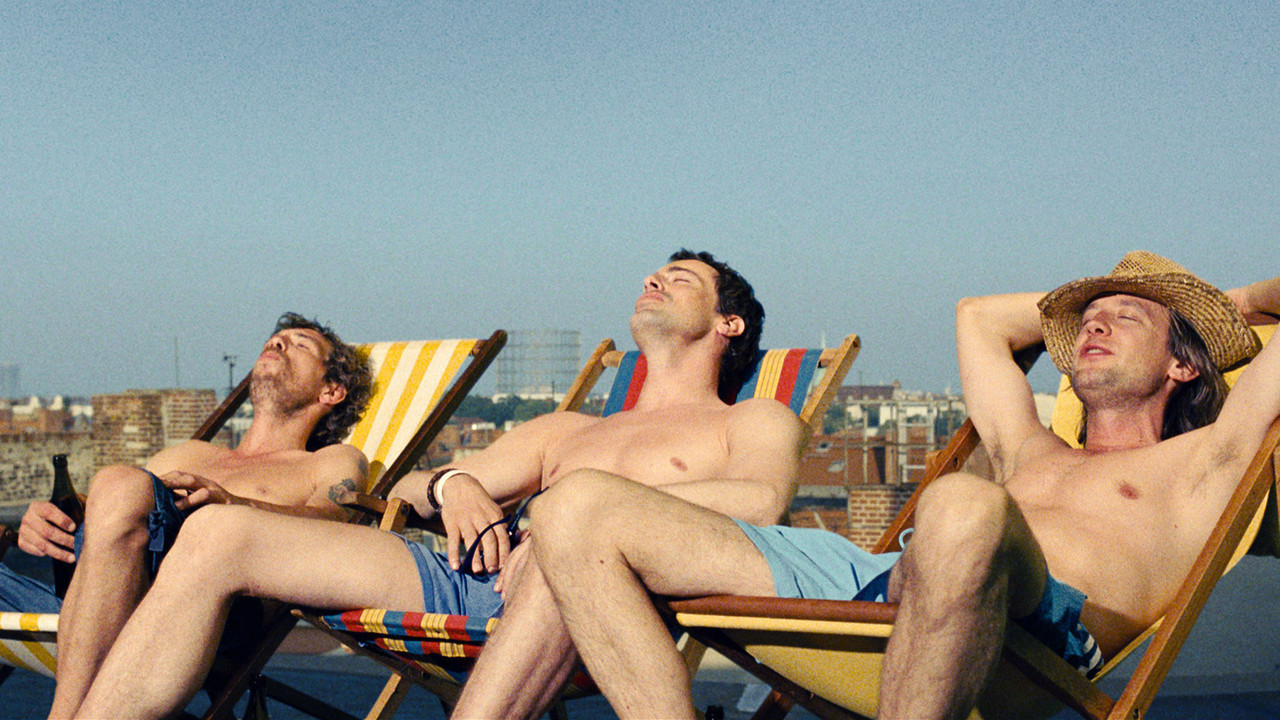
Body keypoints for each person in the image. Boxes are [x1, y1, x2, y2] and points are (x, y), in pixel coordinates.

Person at [470, 251, 1280, 720]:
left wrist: (1222, 306)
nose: (1094, 323)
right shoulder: (1028, 445)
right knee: (574, 506)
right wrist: (1124, 304)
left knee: (961, 502)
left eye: (1126, 318)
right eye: (1088, 318)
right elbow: (976, 318)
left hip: (1034, 628)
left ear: (1185, 364)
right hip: (885, 580)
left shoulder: (1208, 458)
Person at [67, 250, 809, 720]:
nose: (653, 280)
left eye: (680, 279)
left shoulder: (753, 418)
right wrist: (454, 484)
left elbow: (760, 502)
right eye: (654, 273)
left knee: (568, 537)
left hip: (581, 596)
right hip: (466, 575)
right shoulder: (566, 428)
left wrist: (568, 518)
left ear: (729, 324)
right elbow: (411, 487)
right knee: (218, 532)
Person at [0, 312, 373, 720]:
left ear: (331, 391)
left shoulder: (330, 461)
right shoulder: (192, 453)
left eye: (301, 344)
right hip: (106, 596)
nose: (278, 342)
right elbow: (116, 513)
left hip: (213, 607)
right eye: (276, 339)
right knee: (118, 485)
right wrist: (48, 521)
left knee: (120, 481)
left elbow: (336, 523)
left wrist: (237, 506)